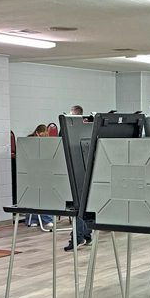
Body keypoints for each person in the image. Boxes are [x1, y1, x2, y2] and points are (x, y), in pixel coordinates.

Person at [65, 106, 92, 251]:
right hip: (86, 173)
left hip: (77, 174)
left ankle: (78, 237)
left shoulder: (73, 132)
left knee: (80, 208)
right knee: (84, 207)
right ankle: (86, 235)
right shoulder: (88, 129)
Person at [26, 124, 54, 230]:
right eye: (42, 135)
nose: (44, 137)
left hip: (42, 171)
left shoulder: (46, 142)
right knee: (35, 196)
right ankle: (38, 219)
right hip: (33, 171)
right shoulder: (29, 141)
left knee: (42, 196)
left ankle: (40, 219)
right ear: (37, 133)